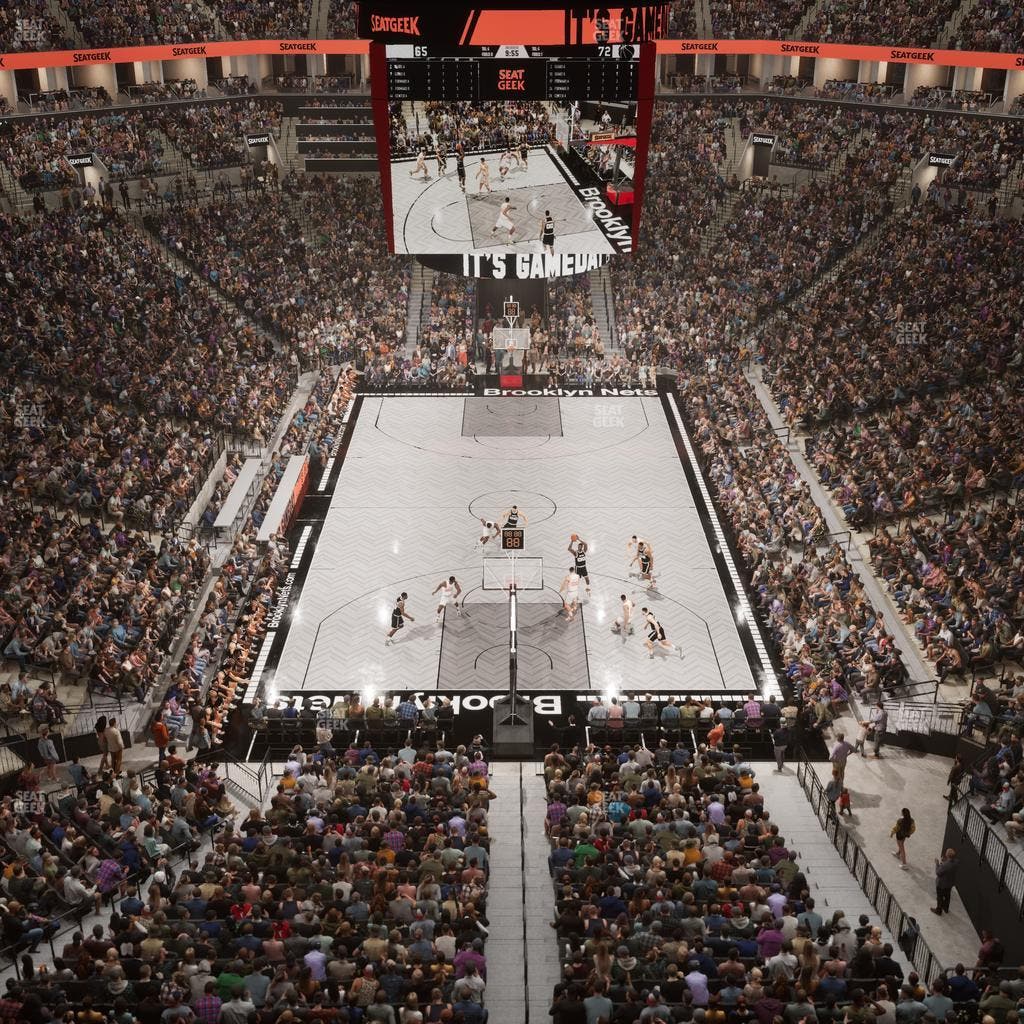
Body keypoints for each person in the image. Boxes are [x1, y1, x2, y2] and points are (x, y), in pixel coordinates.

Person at [931, 848, 958, 915]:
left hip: (941, 884)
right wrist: (945, 861)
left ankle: (938, 910)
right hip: (950, 883)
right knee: (947, 895)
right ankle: (946, 908)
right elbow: (949, 866)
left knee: (939, 897)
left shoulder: (945, 865)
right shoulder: (956, 862)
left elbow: (938, 872)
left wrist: (937, 864)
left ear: (947, 855)